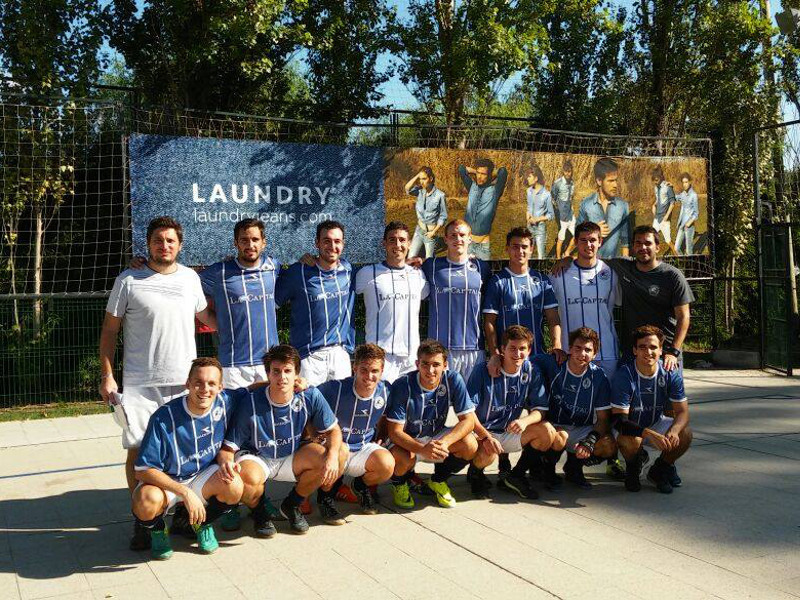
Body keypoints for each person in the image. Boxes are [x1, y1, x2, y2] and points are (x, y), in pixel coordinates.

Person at [99, 216, 217, 550]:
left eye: (170, 240)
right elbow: (109, 331)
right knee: (138, 451)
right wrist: (108, 375)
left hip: (184, 384)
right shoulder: (129, 279)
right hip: (139, 385)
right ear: (148, 244)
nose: (164, 245)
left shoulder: (191, 279)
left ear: (179, 245)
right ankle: (144, 519)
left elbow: (209, 318)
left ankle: (182, 512)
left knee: (185, 450)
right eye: (158, 240)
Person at [219, 344, 345, 535]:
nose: (282, 377)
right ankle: (260, 514)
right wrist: (228, 466)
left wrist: (333, 456)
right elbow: (229, 449)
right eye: (276, 371)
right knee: (244, 477)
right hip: (258, 456)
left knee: (332, 455)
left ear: (297, 374)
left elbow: (334, 430)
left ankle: (292, 505)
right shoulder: (250, 402)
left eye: (288, 371)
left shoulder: (309, 395)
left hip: (290, 455)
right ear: (268, 374)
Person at [131, 357, 242, 559]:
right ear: (188, 384)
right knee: (144, 502)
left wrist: (298, 384)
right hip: (170, 480)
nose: (204, 389)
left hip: (201, 475)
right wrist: (185, 493)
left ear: (220, 387)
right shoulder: (163, 417)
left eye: (211, 384)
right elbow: (143, 470)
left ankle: (201, 524)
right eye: (198, 382)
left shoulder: (226, 401)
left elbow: (257, 391)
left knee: (234, 485)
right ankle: (158, 531)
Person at [385, 339, 478, 509]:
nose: (430, 370)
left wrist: (445, 443)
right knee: (402, 458)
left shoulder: (453, 380)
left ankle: (438, 481)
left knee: (470, 444)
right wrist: (421, 449)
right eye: (425, 364)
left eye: (436, 364)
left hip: (436, 436)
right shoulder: (402, 385)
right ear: (417, 364)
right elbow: (394, 432)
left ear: (445, 365)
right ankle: (399, 483)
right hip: (408, 439)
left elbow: (469, 420)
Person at [466, 325, 551, 500]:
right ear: (502, 349)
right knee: (487, 453)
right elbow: (468, 413)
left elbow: (540, 410)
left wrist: (524, 421)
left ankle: (516, 475)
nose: (517, 353)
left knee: (547, 431)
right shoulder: (482, 370)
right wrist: (485, 437)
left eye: (522, 348)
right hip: (482, 432)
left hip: (507, 432)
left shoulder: (532, 370)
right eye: (512, 348)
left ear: (529, 350)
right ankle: (476, 474)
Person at [198, 218, 280, 389]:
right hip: (233, 364)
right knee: (237, 415)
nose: (250, 244)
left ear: (263, 243)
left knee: (269, 414)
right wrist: (219, 324)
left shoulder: (274, 267)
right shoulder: (219, 272)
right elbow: (190, 290)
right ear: (236, 243)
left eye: (255, 239)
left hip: (270, 362)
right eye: (244, 240)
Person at [532, 327, 616, 490]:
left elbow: (603, 418)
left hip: (581, 428)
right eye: (578, 348)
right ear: (569, 348)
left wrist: (590, 440)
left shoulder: (599, 377)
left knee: (609, 445)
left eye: (588, 350)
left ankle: (574, 468)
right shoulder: (554, 363)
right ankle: (547, 471)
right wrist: (497, 359)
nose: (582, 353)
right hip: (554, 426)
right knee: (557, 436)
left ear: (595, 354)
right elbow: (521, 361)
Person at [317, 344, 396, 516]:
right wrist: (312, 433)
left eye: (374, 370)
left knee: (387, 464)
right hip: (335, 448)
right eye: (364, 370)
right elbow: (309, 400)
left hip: (362, 446)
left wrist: (381, 434)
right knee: (342, 449)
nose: (369, 376)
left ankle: (360, 486)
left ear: (382, 370)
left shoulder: (386, 391)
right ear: (355, 368)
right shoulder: (335, 389)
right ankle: (325, 496)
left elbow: (386, 415)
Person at [612, 326, 692, 494]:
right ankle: (633, 468)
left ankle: (660, 469)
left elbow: (683, 412)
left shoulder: (670, 373)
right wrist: (647, 433)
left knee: (685, 433)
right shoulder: (624, 375)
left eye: (653, 347)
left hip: (655, 422)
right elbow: (620, 422)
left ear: (661, 350)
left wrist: (675, 431)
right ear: (634, 350)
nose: (648, 351)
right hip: (630, 429)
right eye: (642, 347)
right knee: (631, 440)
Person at [276, 220, 355, 386]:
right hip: (308, 356)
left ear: (343, 244)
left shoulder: (348, 271)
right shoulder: (299, 272)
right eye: (326, 241)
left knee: (341, 409)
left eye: (337, 241)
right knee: (309, 409)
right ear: (317, 243)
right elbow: (272, 302)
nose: (332, 246)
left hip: (339, 354)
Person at [611, 225, 694, 373]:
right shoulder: (622, 267)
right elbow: (590, 260)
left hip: (665, 355)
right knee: (627, 395)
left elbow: (684, 316)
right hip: (632, 353)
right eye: (638, 243)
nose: (643, 247)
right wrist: (567, 260)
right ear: (633, 247)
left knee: (671, 396)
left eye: (648, 243)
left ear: (657, 247)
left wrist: (674, 351)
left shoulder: (672, 276)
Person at [354, 222, 429, 383]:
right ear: (384, 243)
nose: (398, 244)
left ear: (409, 244)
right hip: (380, 357)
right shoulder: (367, 274)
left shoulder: (418, 275)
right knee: (381, 406)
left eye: (402, 240)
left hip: (411, 357)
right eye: (392, 240)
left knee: (408, 406)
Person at [548, 221, 621, 380]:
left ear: (600, 242)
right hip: (571, 353)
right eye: (583, 240)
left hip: (607, 352)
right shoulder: (558, 274)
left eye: (593, 240)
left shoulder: (611, 274)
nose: (589, 244)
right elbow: (551, 314)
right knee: (574, 403)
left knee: (607, 403)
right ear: (575, 242)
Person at [483, 227, 562, 372]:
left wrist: (557, 346)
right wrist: (494, 353)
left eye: (524, 247)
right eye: (515, 247)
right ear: (507, 249)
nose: (520, 251)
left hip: (537, 356)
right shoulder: (497, 281)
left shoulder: (542, 281)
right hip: (507, 358)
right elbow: (489, 321)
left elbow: (553, 318)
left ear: (532, 249)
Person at [421, 219, 491, 382]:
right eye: (453, 235)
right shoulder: (431, 266)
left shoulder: (481, 268)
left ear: (469, 239)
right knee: (439, 403)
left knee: (471, 404)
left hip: (473, 349)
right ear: (445, 239)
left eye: (462, 235)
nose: (458, 239)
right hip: (440, 350)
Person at [577, 158, 630, 258]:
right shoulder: (586, 204)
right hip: (590, 265)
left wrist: (625, 266)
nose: (615, 185)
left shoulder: (623, 206)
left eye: (616, 180)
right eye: (610, 181)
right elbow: (577, 235)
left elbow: (625, 241)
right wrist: (593, 230)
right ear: (599, 181)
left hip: (614, 266)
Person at [458, 158, 508, 259]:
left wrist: (491, 172)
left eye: (484, 174)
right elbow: (461, 169)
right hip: (467, 243)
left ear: (490, 175)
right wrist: (475, 171)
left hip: (483, 247)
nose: (479, 177)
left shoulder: (495, 191)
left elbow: (503, 172)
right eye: (478, 173)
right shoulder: (471, 186)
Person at [405, 167, 448, 259]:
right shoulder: (420, 191)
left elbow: (443, 216)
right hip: (419, 230)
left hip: (430, 233)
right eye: (420, 179)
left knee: (429, 261)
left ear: (431, 179)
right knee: (410, 258)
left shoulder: (440, 195)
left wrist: (434, 232)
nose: (421, 182)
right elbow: (407, 189)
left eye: (424, 179)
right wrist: (418, 175)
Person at [525, 164, 555, 260]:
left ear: (536, 178)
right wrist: (528, 215)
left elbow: (551, 215)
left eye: (529, 176)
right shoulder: (528, 191)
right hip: (529, 227)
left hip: (540, 230)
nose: (527, 179)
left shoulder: (546, 194)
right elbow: (529, 207)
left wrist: (537, 219)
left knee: (541, 257)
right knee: (527, 255)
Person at [651, 166, 678, 255]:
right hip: (656, 218)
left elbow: (672, 203)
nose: (655, 182)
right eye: (654, 180)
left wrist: (666, 216)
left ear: (661, 177)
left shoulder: (668, 187)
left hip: (664, 219)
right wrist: (654, 205)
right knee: (651, 237)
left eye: (657, 180)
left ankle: (678, 256)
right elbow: (658, 199)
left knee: (668, 242)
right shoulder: (655, 187)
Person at [552, 160, 576, 258]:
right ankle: (558, 259)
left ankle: (566, 252)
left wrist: (572, 208)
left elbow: (571, 197)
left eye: (569, 171)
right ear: (563, 171)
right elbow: (553, 196)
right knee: (561, 239)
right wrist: (557, 210)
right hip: (562, 216)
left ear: (571, 172)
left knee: (577, 235)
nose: (567, 173)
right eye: (565, 171)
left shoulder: (572, 184)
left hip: (571, 214)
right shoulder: (557, 183)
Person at [675, 172, 700, 255]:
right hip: (681, 225)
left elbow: (696, 213)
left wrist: (688, 223)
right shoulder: (683, 194)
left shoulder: (694, 195)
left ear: (689, 182)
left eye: (686, 182)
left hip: (689, 226)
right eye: (683, 182)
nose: (684, 184)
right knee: (676, 248)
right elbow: (675, 197)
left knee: (689, 251)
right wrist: (669, 189)